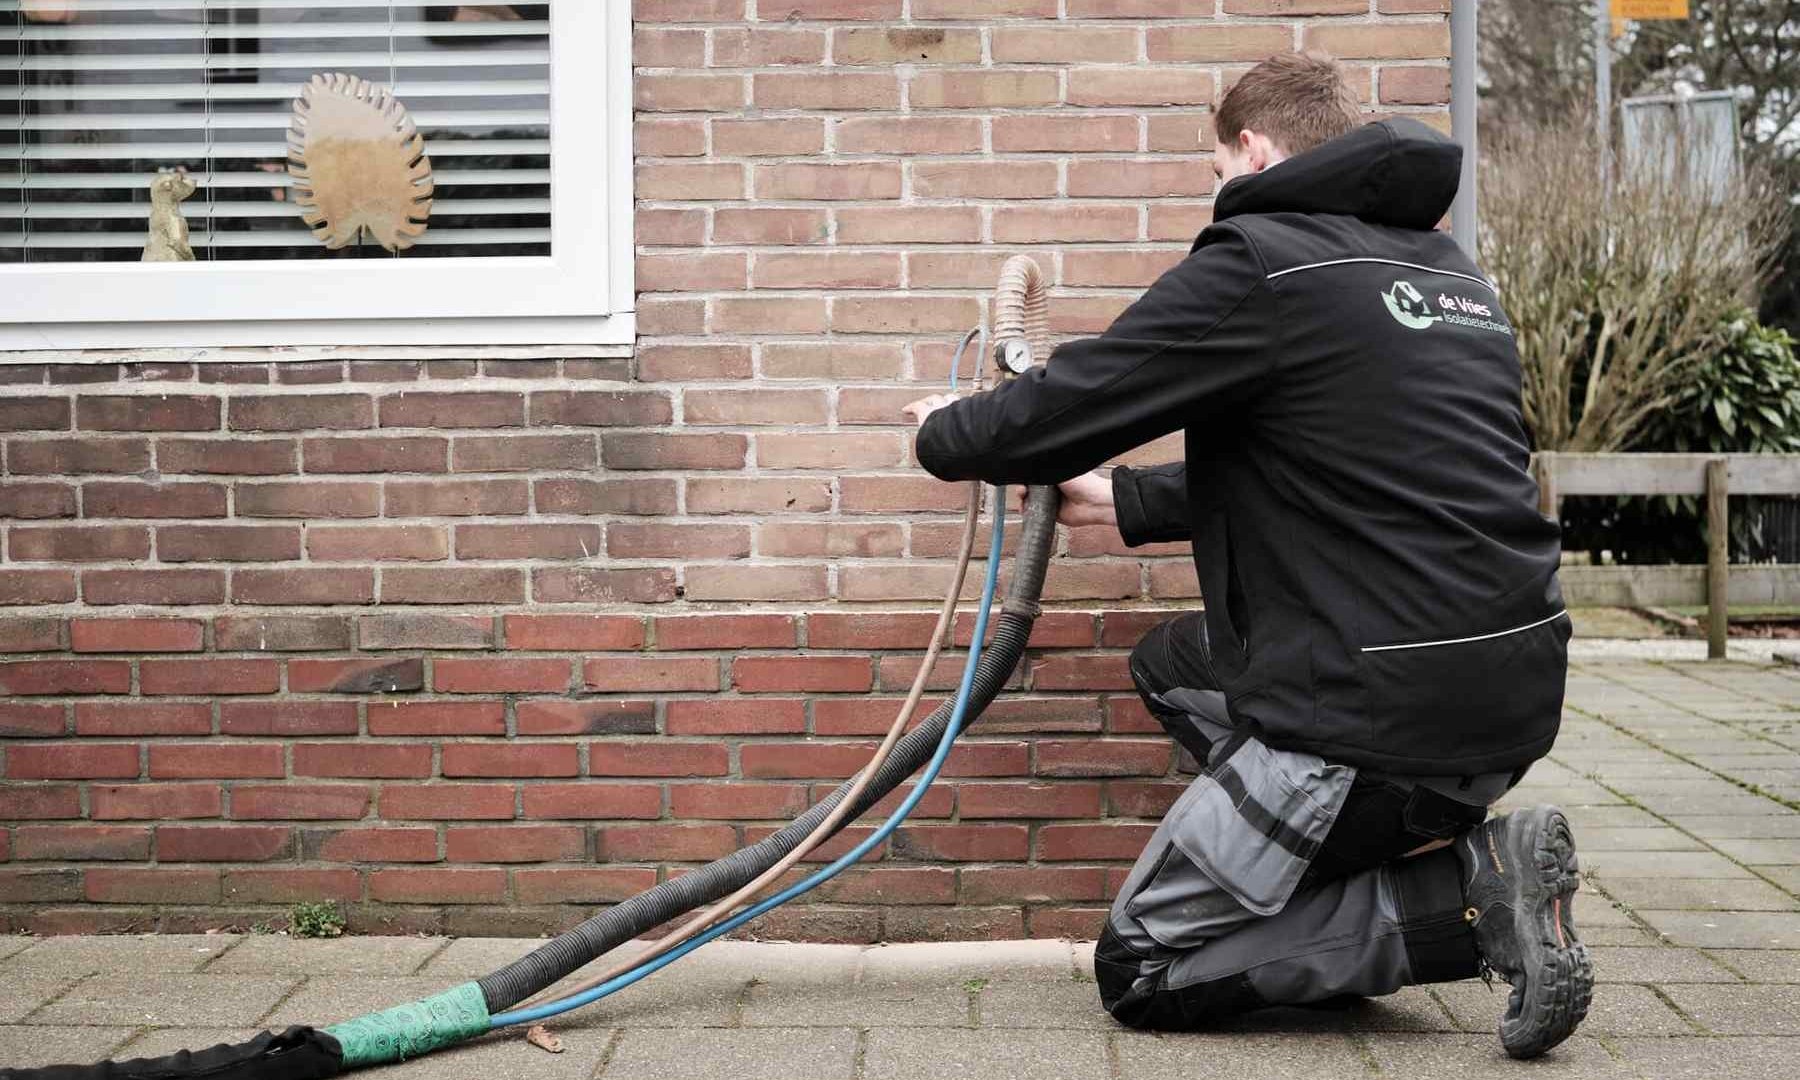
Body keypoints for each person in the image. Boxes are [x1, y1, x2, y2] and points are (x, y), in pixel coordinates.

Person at [903, 52, 1590, 1059]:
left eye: (1215, 166)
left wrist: (944, 434)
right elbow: (1359, 463)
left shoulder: (1260, 262)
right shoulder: (1446, 276)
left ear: (1255, 149)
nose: (1215, 188)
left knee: (1143, 967)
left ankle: (1463, 896)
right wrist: (1130, 502)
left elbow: (1062, 409)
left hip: (1372, 717)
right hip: (1505, 690)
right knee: (1174, 665)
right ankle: (1327, 887)